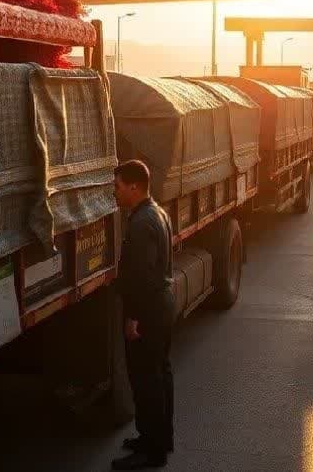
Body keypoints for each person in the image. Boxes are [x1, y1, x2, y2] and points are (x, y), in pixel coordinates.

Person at [113, 160, 175, 470]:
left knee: (146, 380)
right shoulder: (157, 212)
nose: (116, 192)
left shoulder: (140, 223)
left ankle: (152, 452)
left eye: (119, 186)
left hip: (148, 310)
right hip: (161, 305)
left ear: (134, 186)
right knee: (160, 375)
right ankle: (158, 439)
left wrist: (134, 317)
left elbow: (144, 276)